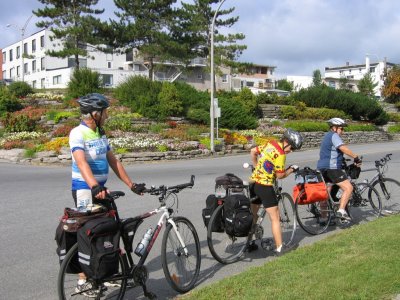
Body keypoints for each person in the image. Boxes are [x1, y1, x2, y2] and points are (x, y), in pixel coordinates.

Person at [69, 93, 146, 297]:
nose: (107, 115)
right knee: (89, 234)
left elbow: (114, 161)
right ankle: (83, 281)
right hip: (85, 190)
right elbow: (81, 162)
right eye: (105, 112)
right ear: (95, 113)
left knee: (111, 231)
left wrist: (131, 184)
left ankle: (109, 273)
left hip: (101, 190)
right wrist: (94, 186)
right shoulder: (77, 133)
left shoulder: (101, 134)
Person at [248, 128, 303, 255]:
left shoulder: (270, 143)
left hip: (254, 183)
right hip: (265, 186)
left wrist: (256, 166)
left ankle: (249, 243)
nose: (291, 151)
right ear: (286, 142)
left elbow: (253, 151)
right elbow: (280, 176)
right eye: (292, 148)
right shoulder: (281, 155)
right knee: (275, 218)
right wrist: (291, 169)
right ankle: (280, 248)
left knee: (254, 215)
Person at [317, 118, 362, 222]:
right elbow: (343, 148)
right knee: (348, 188)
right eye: (341, 129)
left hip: (322, 168)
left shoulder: (326, 136)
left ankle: (324, 219)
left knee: (325, 195)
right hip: (332, 168)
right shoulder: (334, 135)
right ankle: (341, 211)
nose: (343, 131)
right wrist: (355, 157)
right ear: (334, 128)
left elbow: (331, 152)